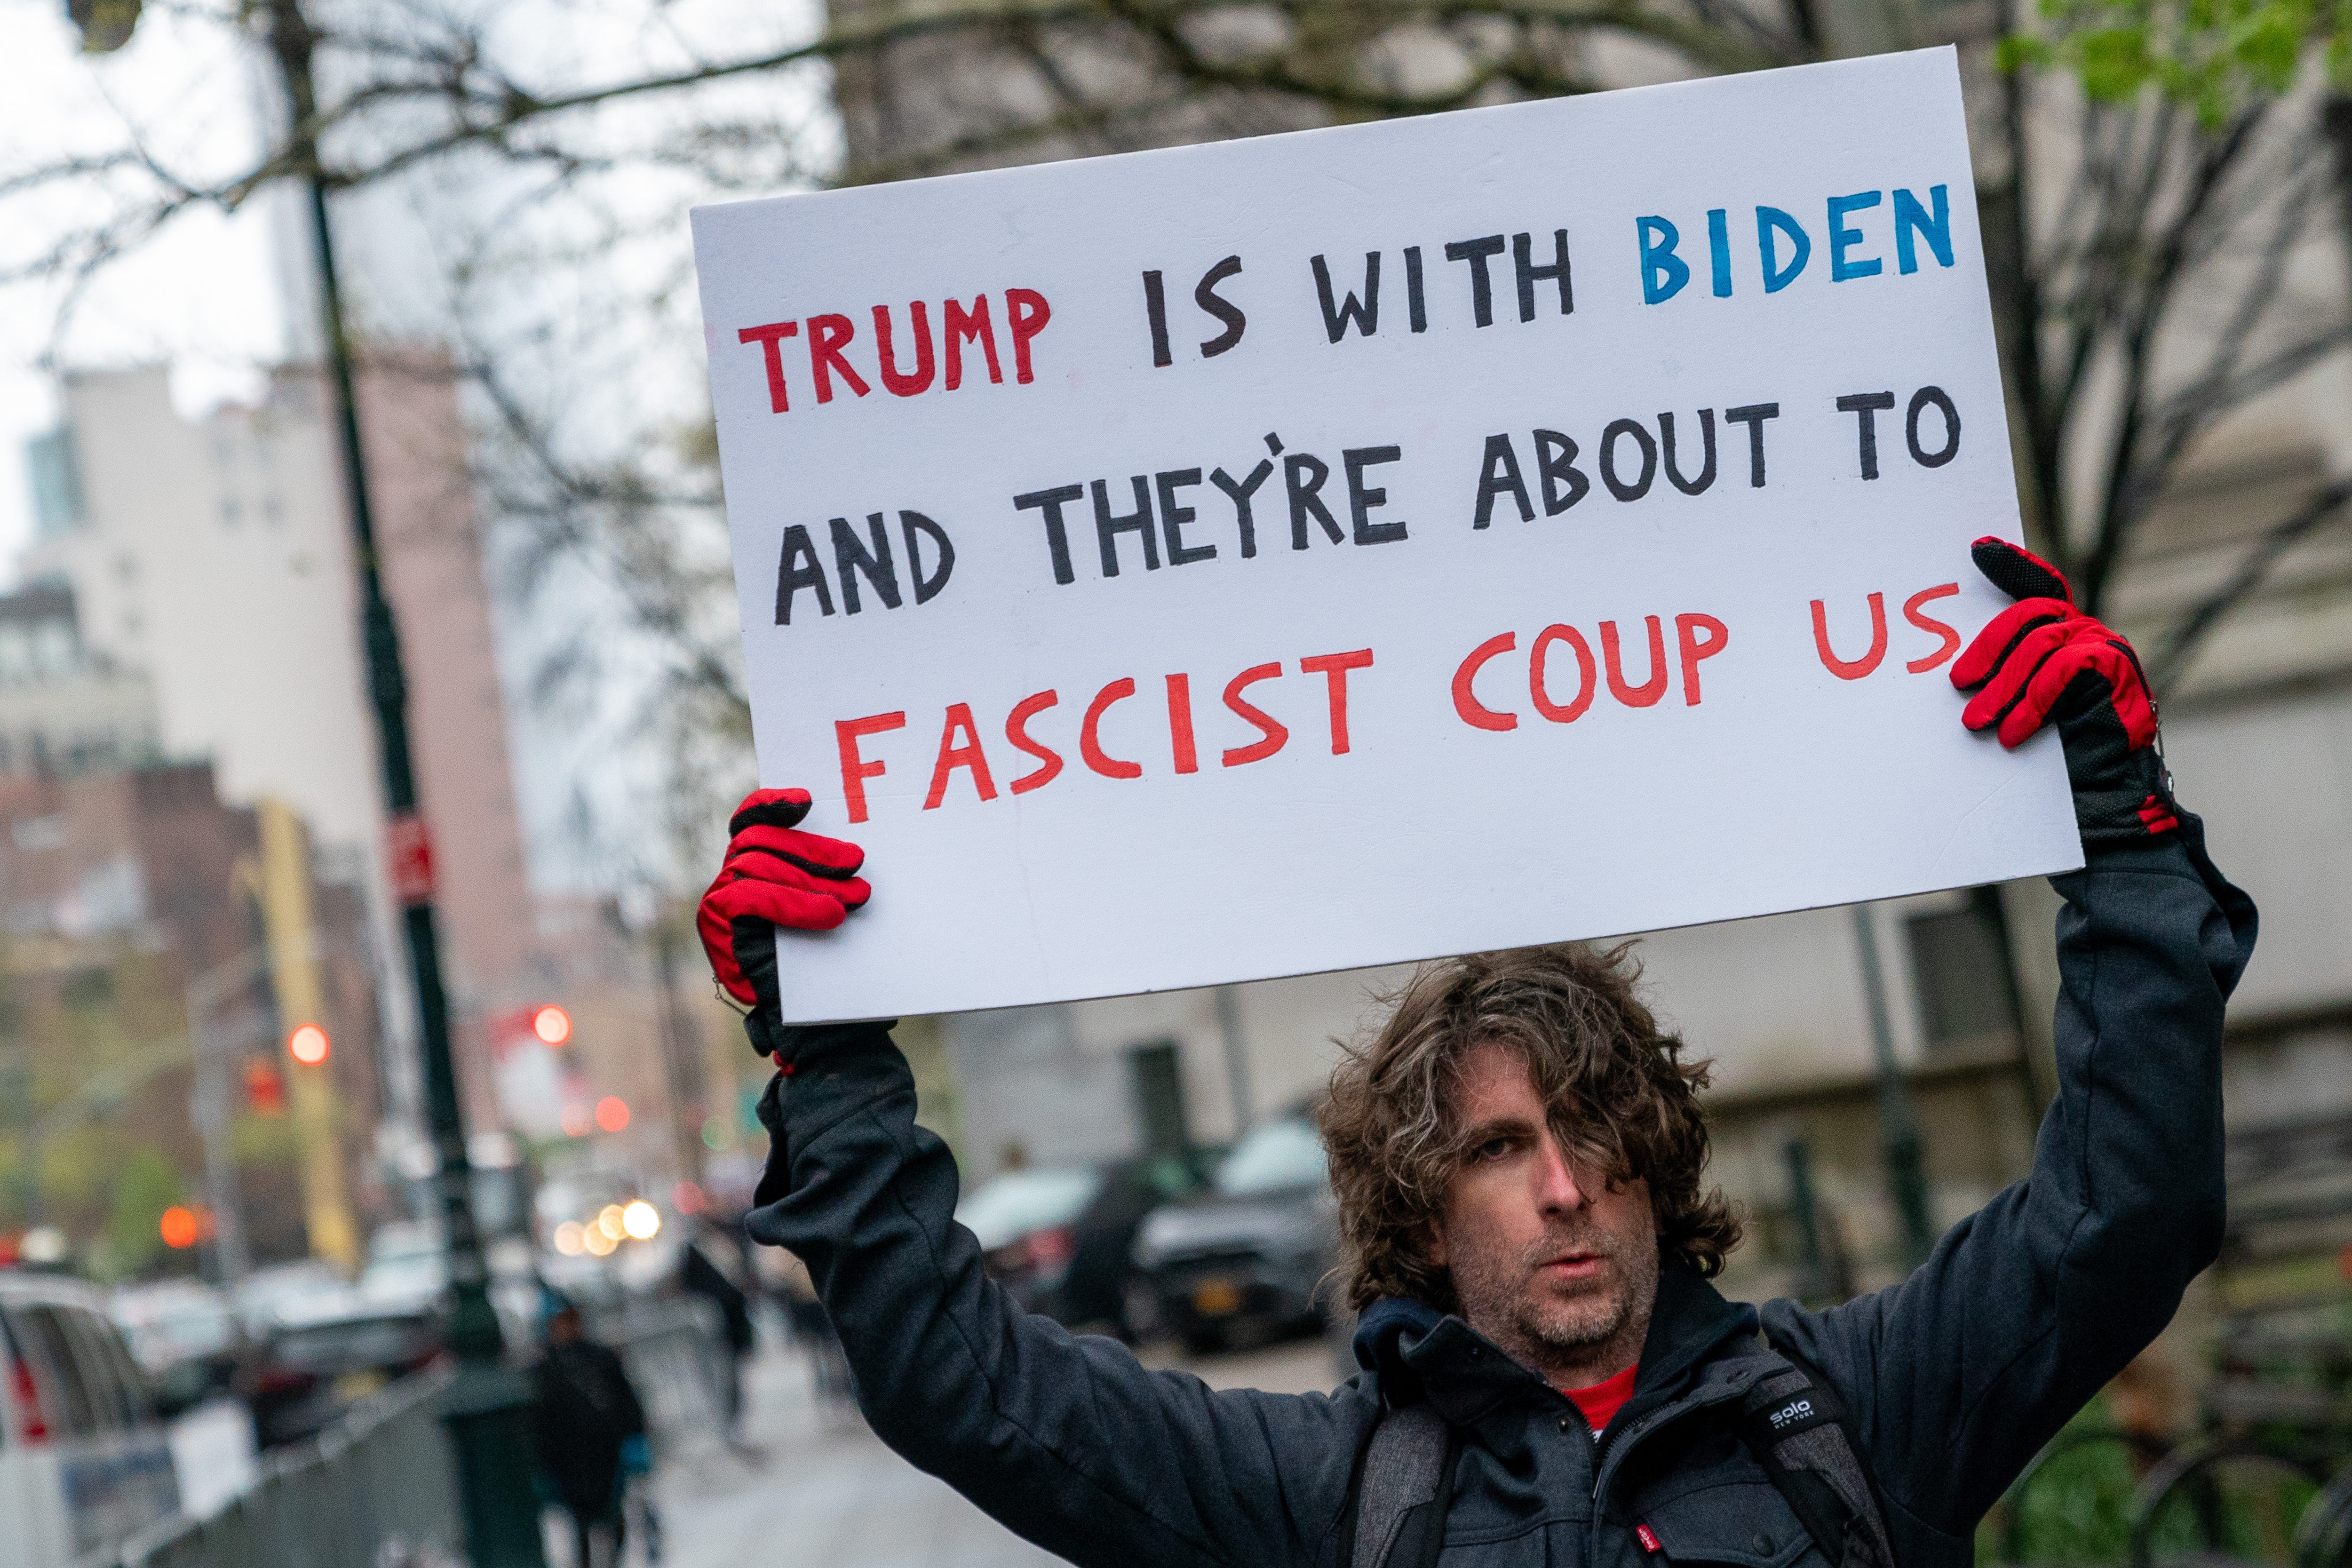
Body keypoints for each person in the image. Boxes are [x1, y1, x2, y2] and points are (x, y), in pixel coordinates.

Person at [693, 540, 2257, 1568]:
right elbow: (967, 1389)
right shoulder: (1329, 1496)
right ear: (1427, 1214)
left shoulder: (1855, 1410)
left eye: (1592, 1131)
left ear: (1657, 1164)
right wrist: (832, 1057)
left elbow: (2126, 1212)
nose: (1566, 1185)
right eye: (1501, 1149)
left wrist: (2122, 840)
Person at [530, 1296, 650, 1568]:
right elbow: (540, 1421)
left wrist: (634, 1441)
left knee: (612, 1513)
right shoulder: (545, 1369)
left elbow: (626, 1401)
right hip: (569, 1460)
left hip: (606, 1451)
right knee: (581, 1522)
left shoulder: (600, 1357)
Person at [677, 1221, 756, 1443]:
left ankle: (734, 1423)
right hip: (713, 1330)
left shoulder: (723, 1248)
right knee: (721, 1379)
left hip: (730, 1328)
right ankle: (728, 1425)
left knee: (732, 1379)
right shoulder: (696, 1253)